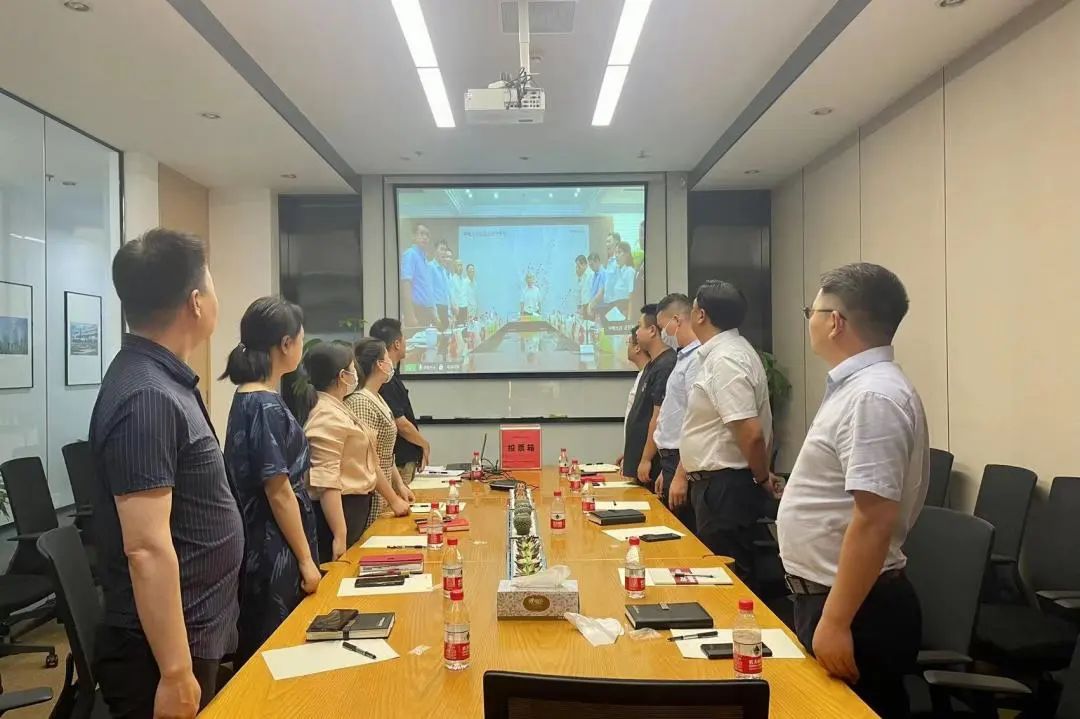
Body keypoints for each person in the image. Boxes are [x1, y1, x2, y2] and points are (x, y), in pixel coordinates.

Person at [89, 228, 241, 719]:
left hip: (193, 630)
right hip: (162, 653)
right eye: (212, 285)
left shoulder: (164, 381)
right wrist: (176, 672)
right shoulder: (147, 396)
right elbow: (146, 547)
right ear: (196, 302)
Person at [777, 263, 927, 719]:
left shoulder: (872, 397)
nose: (809, 321)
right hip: (838, 597)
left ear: (835, 321)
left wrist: (837, 621)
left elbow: (874, 518)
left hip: (856, 608)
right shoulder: (860, 387)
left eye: (811, 311)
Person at [220, 297, 320, 667]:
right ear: (286, 343)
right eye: (300, 338)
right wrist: (306, 559)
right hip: (274, 543)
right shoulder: (265, 404)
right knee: (277, 646)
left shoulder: (248, 397)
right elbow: (279, 491)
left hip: (259, 536)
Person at [677, 280, 778, 584]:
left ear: (701, 315)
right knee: (718, 577)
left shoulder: (726, 359)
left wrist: (762, 478)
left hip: (725, 489)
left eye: (693, 308)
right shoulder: (723, 353)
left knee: (727, 581)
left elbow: (750, 431)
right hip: (718, 486)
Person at [295, 342, 410, 563]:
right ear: (342, 376)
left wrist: (394, 499)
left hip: (354, 509)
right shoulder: (325, 414)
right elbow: (327, 480)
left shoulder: (338, 408)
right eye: (351, 369)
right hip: (337, 515)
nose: (356, 374)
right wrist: (339, 533)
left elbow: (370, 462)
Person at [345, 337, 415, 526]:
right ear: (379, 364)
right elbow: (367, 458)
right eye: (387, 358)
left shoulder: (377, 397)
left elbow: (386, 453)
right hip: (372, 492)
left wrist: (399, 485)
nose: (391, 363)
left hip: (385, 488)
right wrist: (393, 498)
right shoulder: (360, 401)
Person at [651, 293, 700, 532]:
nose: (663, 335)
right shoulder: (683, 357)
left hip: (684, 461)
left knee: (682, 534)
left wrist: (681, 474)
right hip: (672, 460)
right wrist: (666, 468)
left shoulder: (697, 359)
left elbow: (695, 419)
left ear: (677, 320)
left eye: (663, 328)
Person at [369, 318, 431, 484]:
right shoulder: (385, 381)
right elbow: (400, 423)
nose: (406, 342)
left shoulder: (391, 377)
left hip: (401, 461)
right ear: (396, 344)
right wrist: (424, 444)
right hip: (399, 462)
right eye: (404, 339)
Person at [621, 304, 676, 487]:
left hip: (653, 464)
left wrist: (645, 458)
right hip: (640, 461)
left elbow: (657, 416)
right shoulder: (652, 365)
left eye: (639, 326)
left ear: (652, 330)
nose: (636, 332)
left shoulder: (666, 365)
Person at [400, 223, 436, 328]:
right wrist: (410, 315)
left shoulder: (425, 260)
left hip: (426, 311)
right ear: (414, 236)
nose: (425, 237)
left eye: (427, 235)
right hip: (416, 311)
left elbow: (428, 290)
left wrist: (433, 313)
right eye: (422, 234)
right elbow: (406, 284)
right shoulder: (410, 254)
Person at [430, 240, 453, 330]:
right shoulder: (430, 267)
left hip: (444, 308)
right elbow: (430, 293)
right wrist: (435, 316)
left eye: (445, 250)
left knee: (446, 336)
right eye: (441, 249)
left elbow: (446, 293)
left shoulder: (443, 270)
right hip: (436, 308)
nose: (444, 252)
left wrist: (449, 313)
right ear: (435, 250)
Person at [585, 252, 606, 318]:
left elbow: (600, 293)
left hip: (602, 308)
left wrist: (590, 306)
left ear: (597, 261)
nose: (591, 268)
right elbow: (592, 293)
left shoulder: (603, 273)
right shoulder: (595, 274)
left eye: (592, 265)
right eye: (590, 265)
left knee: (601, 325)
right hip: (595, 307)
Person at [451, 259, 470, 325]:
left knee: (465, 327)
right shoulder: (452, 279)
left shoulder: (464, 280)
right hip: (457, 309)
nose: (460, 267)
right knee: (458, 328)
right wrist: (455, 309)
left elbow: (466, 295)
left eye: (461, 265)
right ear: (455, 267)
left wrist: (467, 309)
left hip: (465, 307)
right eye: (458, 265)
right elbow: (452, 296)